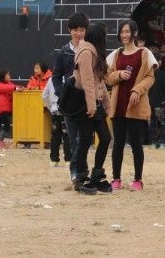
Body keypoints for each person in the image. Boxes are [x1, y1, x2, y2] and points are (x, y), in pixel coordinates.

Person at [106, 20, 158, 191]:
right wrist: (119, 74)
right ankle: (116, 178)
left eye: (127, 31)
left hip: (136, 105)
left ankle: (138, 180)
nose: (124, 35)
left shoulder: (144, 53)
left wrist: (137, 90)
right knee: (118, 143)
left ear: (134, 33)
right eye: (122, 32)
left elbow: (150, 78)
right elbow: (108, 78)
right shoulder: (115, 55)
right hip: (118, 104)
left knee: (136, 143)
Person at [73, 21, 113, 195]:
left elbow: (100, 81)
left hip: (95, 102)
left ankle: (97, 175)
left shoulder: (94, 52)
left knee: (105, 138)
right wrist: (91, 106)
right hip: (85, 103)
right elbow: (87, 81)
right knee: (85, 140)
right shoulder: (86, 52)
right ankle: (81, 177)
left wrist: (107, 104)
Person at [52, 12, 89, 184]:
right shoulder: (63, 52)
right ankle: (75, 172)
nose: (78, 33)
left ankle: (83, 169)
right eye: (75, 30)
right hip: (70, 103)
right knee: (73, 139)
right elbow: (56, 77)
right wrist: (62, 95)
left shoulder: (90, 49)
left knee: (85, 139)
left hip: (87, 100)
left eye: (82, 30)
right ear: (69, 30)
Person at [42, 70, 72, 167]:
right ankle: (69, 160)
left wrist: (51, 107)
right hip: (66, 111)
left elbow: (44, 95)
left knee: (55, 136)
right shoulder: (70, 79)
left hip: (55, 111)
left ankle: (54, 160)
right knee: (67, 135)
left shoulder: (51, 80)